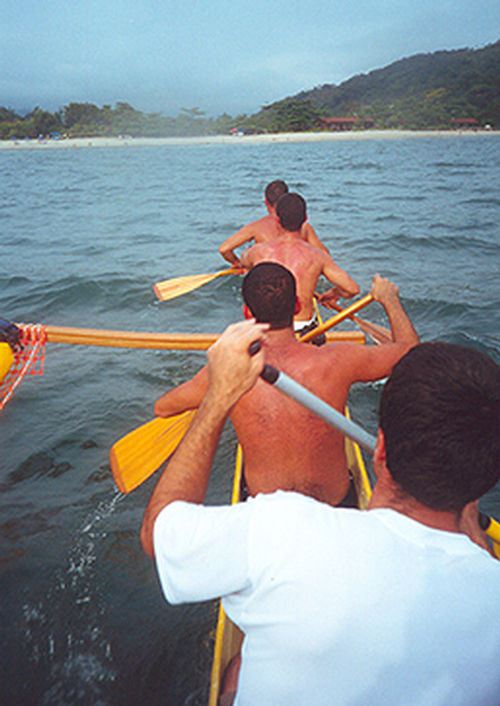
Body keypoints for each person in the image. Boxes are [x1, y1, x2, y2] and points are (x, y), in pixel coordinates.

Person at [141, 324, 500, 706]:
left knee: (237, 674)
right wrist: (473, 529)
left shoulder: (281, 527)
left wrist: (218, 396)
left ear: (380, 451)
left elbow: (159, 529)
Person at [154, 263, 419, 507]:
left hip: (266, 510)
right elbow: (411, 353)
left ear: (247, 312)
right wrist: (390, 300)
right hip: (335, 505)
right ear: (297, 306)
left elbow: (163, 407)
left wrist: (214, 396)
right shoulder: (339, 359)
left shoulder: (227, 371)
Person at [239, 193, 359, 333]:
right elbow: (352, 289)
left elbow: (244, 260)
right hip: (305, 328)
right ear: (305, 219)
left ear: (277, 219)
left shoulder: (257, 251)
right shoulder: (318, 255)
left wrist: (245, 262)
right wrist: (333, 292)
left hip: (269, 329)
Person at [218, 180, 329, 267]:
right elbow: (325, 255)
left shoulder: (256, 227)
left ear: (266, 202)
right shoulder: (303, 227)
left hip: (268, 279)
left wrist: (237, 263)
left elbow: (224, 249)